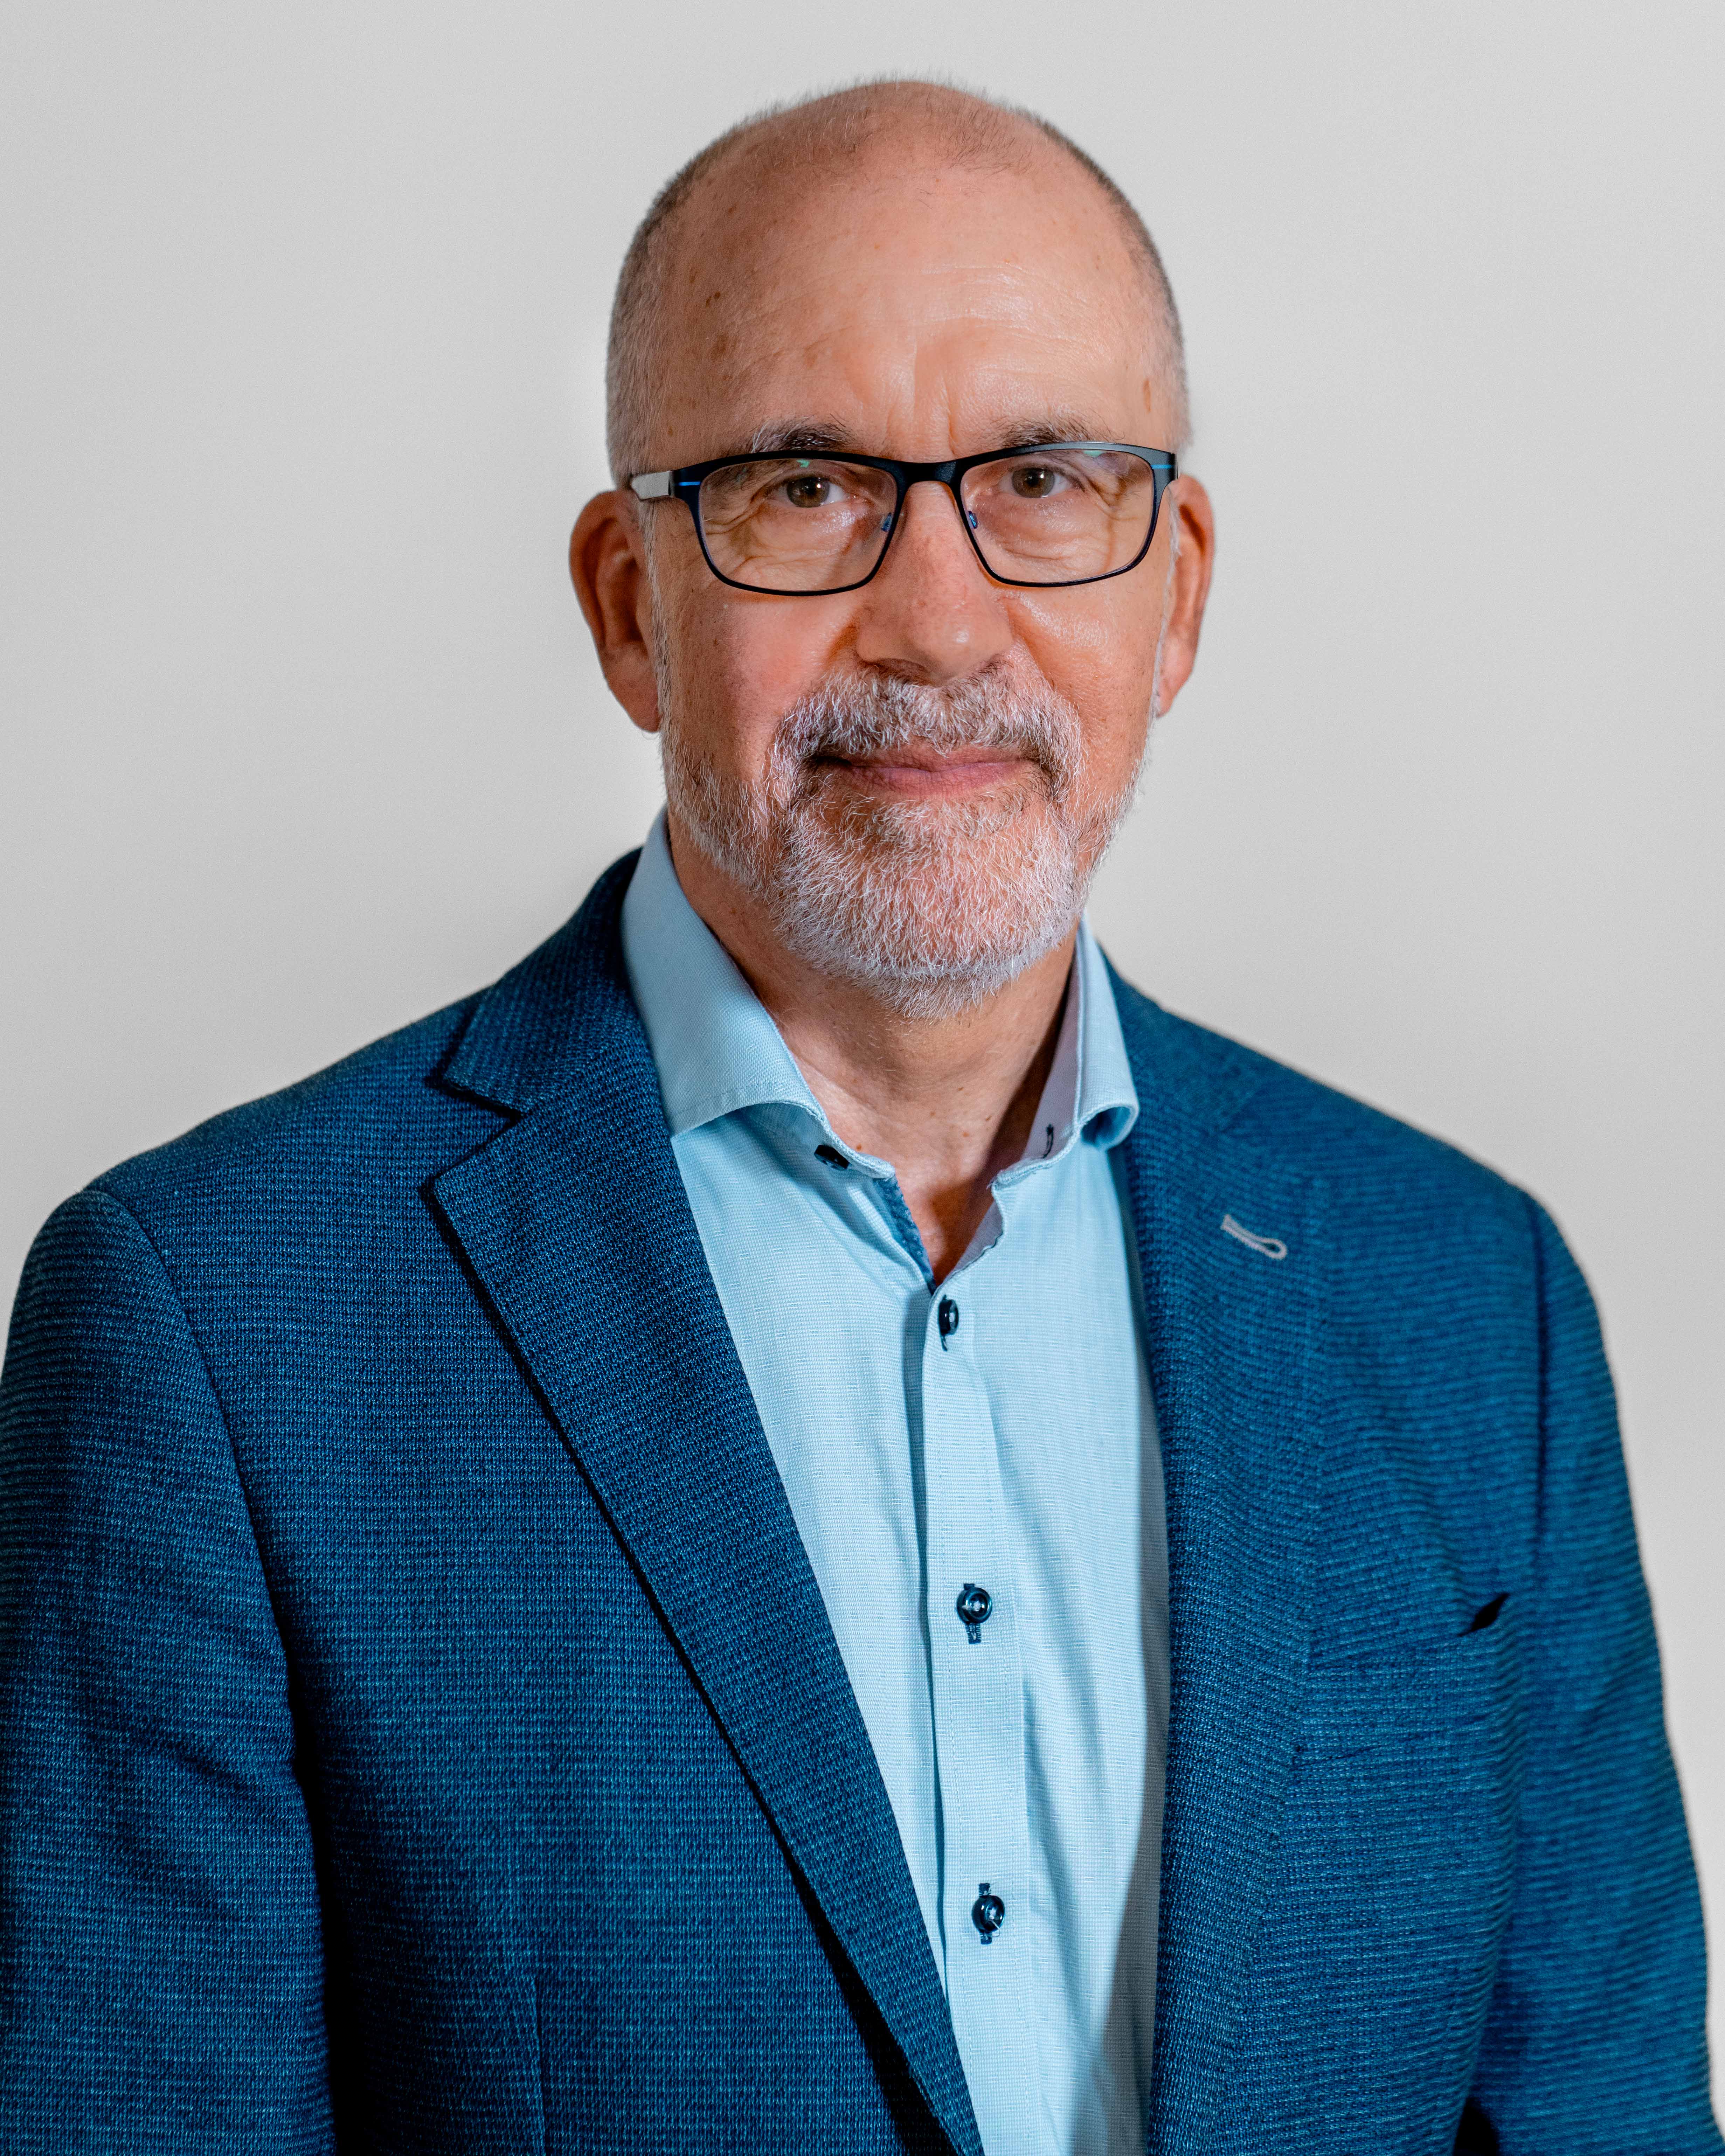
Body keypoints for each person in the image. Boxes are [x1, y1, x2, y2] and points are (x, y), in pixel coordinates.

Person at [0, 75, 1715, 2156]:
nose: (937, 621)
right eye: (806, 489)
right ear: (634, 608)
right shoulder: (212, 1329)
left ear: (1176, 591)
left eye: (1049, 481)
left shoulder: (1469, 1307)